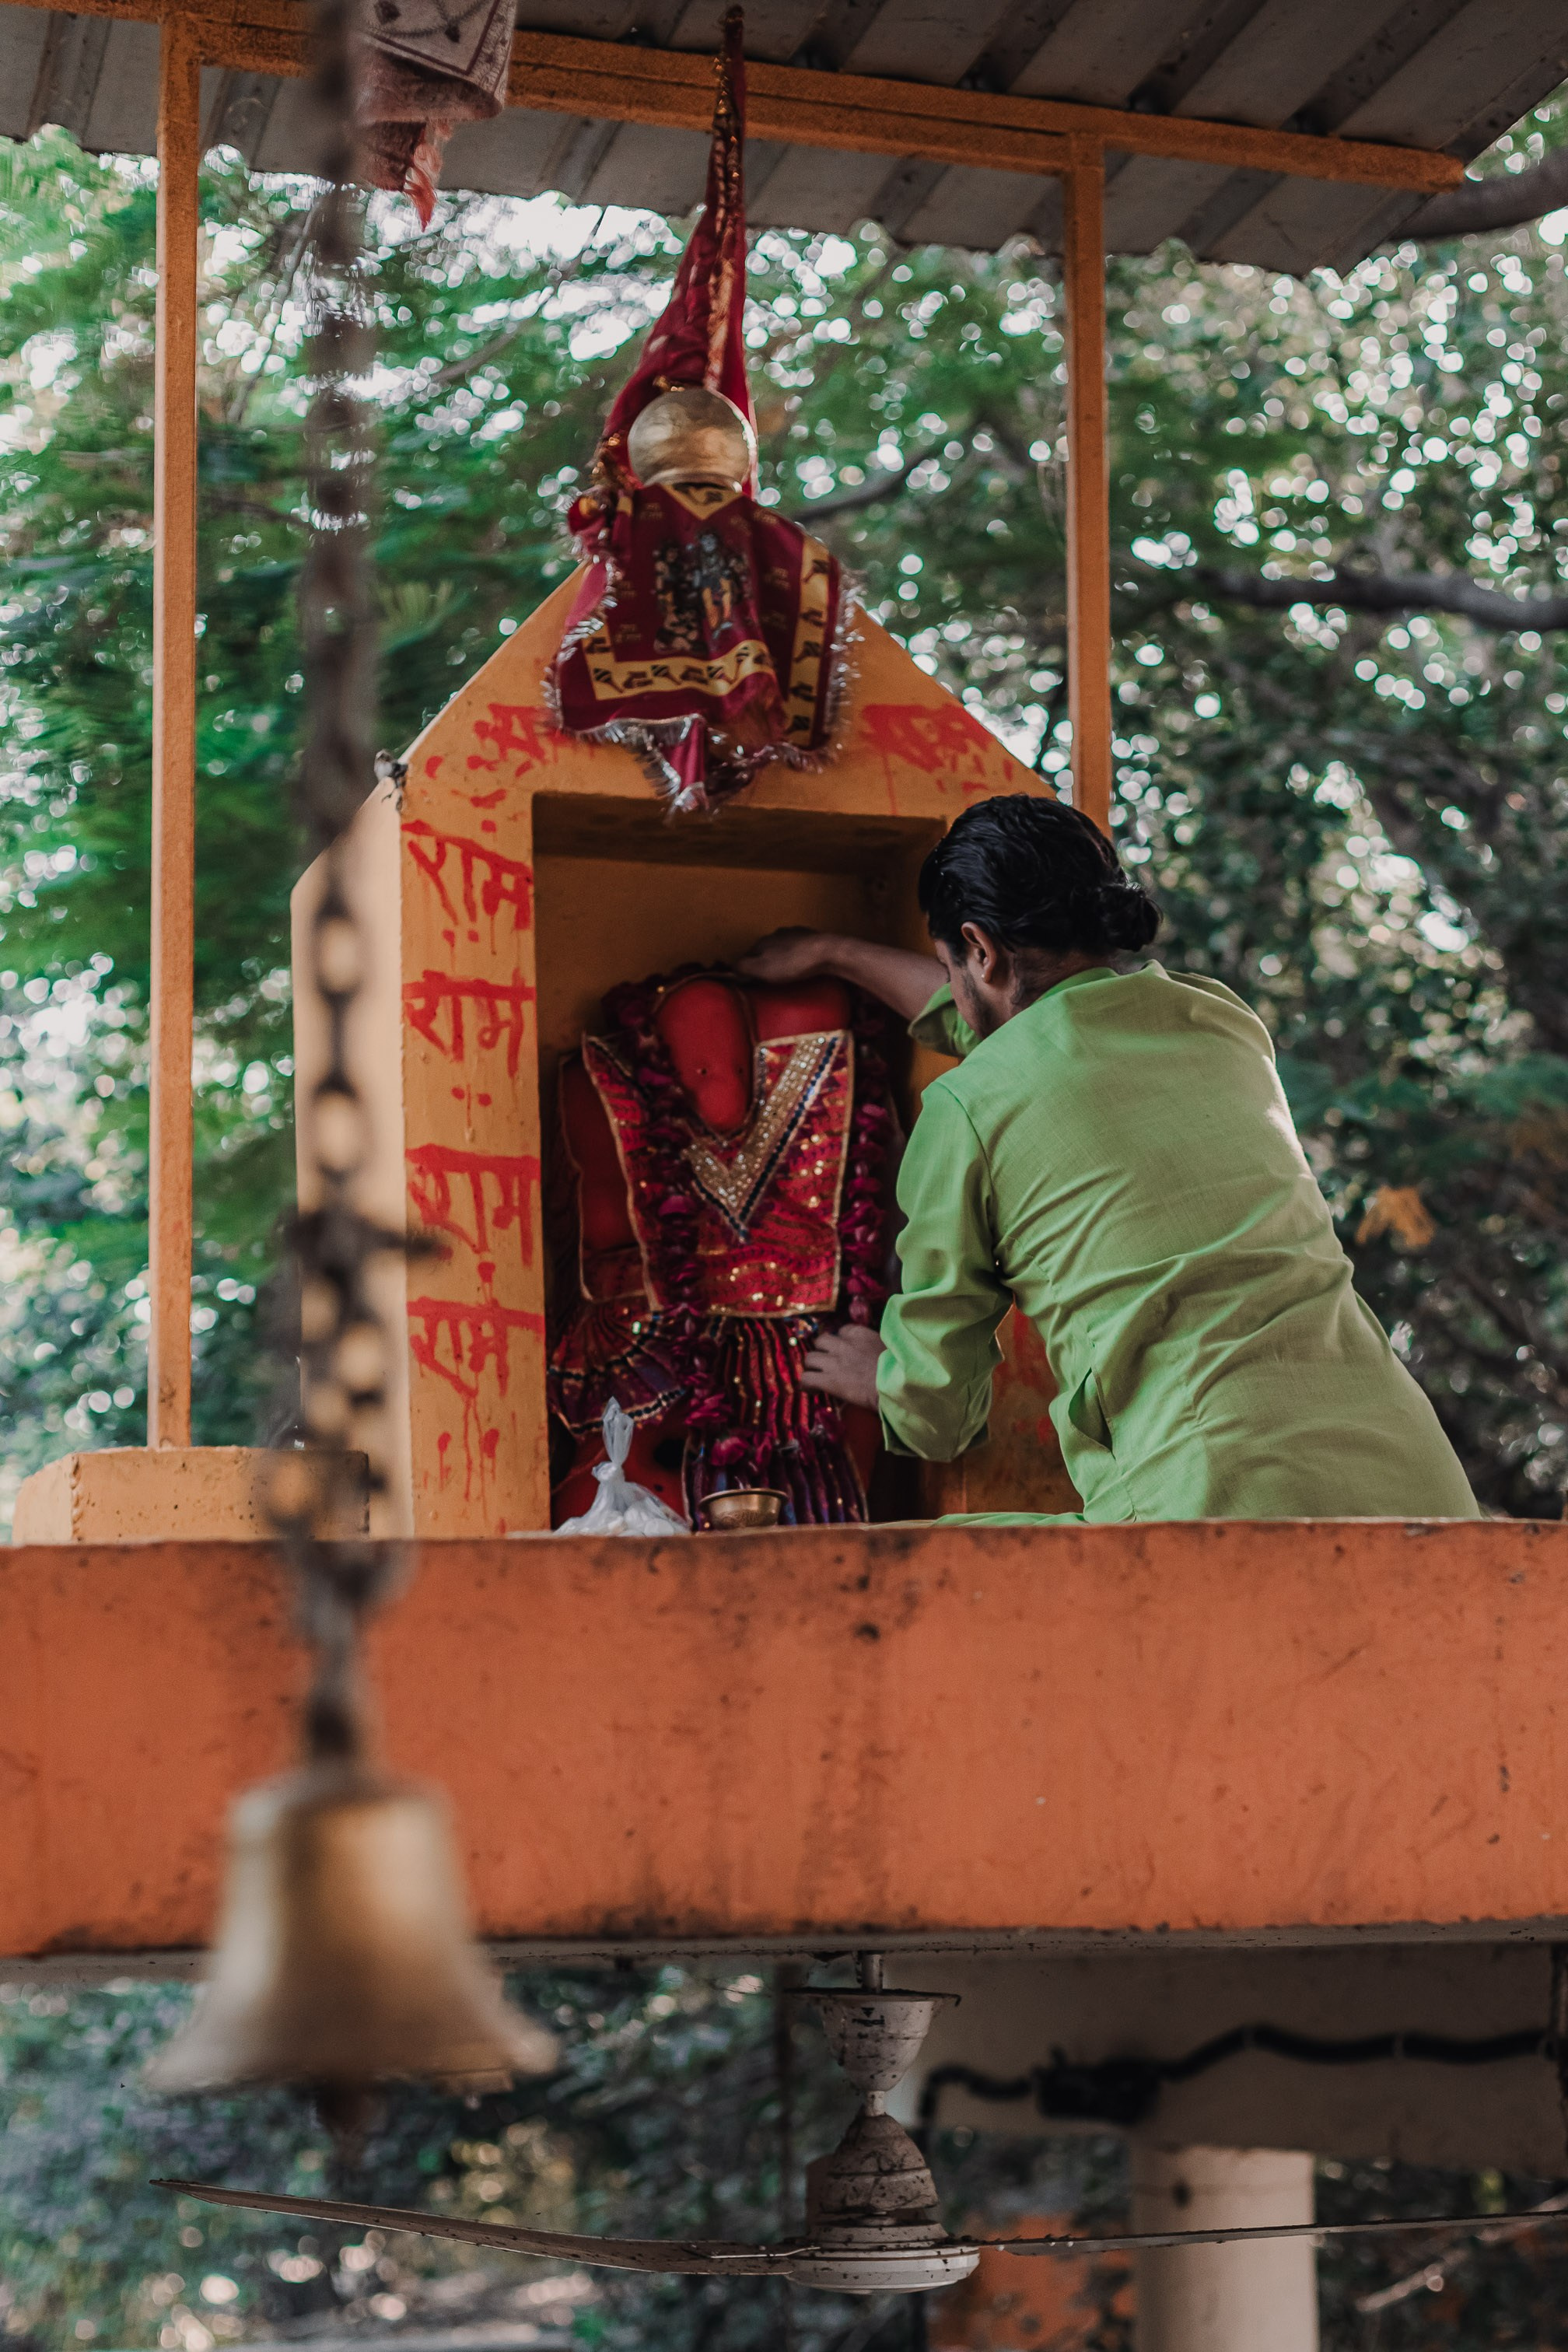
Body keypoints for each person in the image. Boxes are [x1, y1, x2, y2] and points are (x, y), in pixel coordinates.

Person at [737, 794, 1479, 1524]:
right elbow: (1041, 1033)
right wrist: (838, 952)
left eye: (952, 964)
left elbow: (937, 1416)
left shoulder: (969, 1111)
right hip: (1417, 1487)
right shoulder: (1219, 1023)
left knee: (888, 1570)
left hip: (1216, 1502)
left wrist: (884, 1377)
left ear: (982, 950)